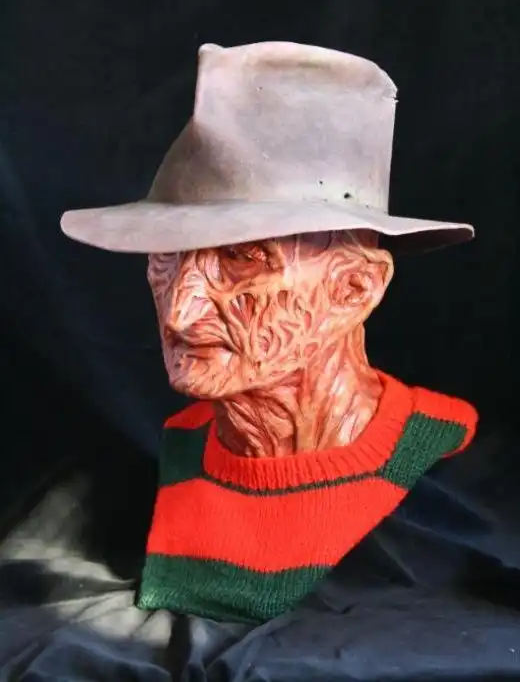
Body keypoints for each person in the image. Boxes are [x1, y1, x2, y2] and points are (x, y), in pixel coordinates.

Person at [61, 41, 478, 623]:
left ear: (353, 289)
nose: (179, 312)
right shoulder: (184, 443)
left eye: (242, 258)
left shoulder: (438, 443)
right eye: (166, 257)